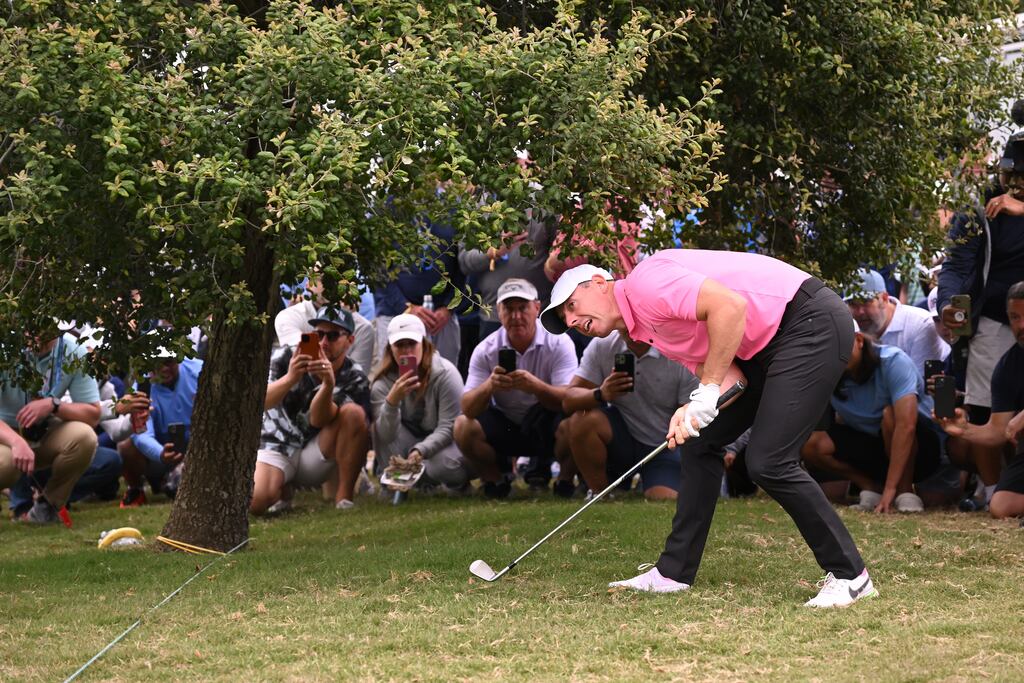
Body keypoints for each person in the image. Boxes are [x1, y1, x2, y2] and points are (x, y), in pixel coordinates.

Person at [541, 254, 875, 608]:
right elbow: (733, 378)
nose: (574, 320)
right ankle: (673, 573)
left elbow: (729, 307)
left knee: (769, 461)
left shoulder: (644, 283)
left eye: (572, 306)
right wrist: (690, 412)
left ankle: (850, 576)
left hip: (808, 323)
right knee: (701, 442)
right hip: (766, 349)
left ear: (598, 282)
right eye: (567, 319)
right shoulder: (646, 328)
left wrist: (707, 391)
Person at [454, 279, 577, 498]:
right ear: (498, 312)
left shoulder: (559, 342)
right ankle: (495, 481)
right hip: (506, 423)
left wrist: (536, 387)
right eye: (509, 309)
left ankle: (565, 481)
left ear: (537, 308)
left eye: (523, 308)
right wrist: (489, 386)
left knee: (578, 419)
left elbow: (570, 398)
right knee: (463, 426)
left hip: (545, 421)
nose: (516, 316)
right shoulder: (486, 349)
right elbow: (467, 408)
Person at [801, 326, 944, 513]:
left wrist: (890, 489)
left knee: (890, 415)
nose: (834, 355)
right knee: (810, 442)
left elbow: (906, 425)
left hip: (920, 446)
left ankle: (903, 491)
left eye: (839, 347)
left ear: (859, 340)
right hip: (870, 442)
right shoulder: (826, 369)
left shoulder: (893, 360)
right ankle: (870, 486)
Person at [252, 306, 370, 514]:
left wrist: (328, 386)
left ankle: (344, 499)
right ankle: (283, 489)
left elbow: (318, 419)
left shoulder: (355, 376)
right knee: (256, 502)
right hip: (277, 443)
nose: (324, 342)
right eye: (319, 334)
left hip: (316, 451)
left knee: (355, 414)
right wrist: (291, 378)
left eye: (333, 336)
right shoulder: (285, 356)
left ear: (350, 341)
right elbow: (261, 401)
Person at [562, 332, 699, 500]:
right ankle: (599, 493)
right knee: (581, 421)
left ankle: (652, 480)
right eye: (624, 316)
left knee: (663, 498)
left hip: (664, 445)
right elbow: (568, 401)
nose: (629, 322)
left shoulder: (679, 349)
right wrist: (601, 394)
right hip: (622, 438)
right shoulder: (603, 344)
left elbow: (692, 413)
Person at [935, 281, 1024, 518]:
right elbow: (997, 432)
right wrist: (963, 429)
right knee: (1001, 506)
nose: (1021, 325)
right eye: (1015, 317)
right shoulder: (1007, 366)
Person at [0, 328, 101, 523]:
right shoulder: (5, 348)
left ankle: (46, 508)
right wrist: (15, 441)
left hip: (42, 430)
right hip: (5, 433)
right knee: (6, 464)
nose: (38, 332)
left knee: (85, 437)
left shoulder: (74, 350)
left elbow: (93, 413)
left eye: (47, 325)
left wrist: (54, 405)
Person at [369, 314, 472, 497]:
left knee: (443, 465)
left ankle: (416, 479)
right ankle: (395, 483)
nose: (406, 351)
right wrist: (392, 402)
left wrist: (420, 450)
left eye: (411, 344)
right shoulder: (382, 384)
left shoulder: (446, 374)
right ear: (390, 349)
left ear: (424, 344)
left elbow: (449, 427)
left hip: (440, 447)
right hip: (407, 441)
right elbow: (385, 435)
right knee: (380, 425)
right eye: (400, 345)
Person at [118, 348, 203, 506]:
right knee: (126, 447)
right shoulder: (142, 387)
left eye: (168, 361)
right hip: (162, 449)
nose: (164, 368)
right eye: (157, 363)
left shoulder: (199, 371)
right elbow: (141, 432)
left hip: (200, 446)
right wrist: (160, 453)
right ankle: (135, 489)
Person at [845, 268, 950, 373]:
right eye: (852, 304)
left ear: (885, 298)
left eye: (866, 302)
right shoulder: (848, 331)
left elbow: (921, 385)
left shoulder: (919, 324)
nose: (860, 312)